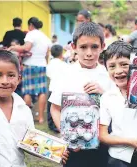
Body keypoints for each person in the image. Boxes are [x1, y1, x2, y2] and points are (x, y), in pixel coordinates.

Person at [49, 22, 115, 167]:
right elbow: (55, 109)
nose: (89, 53)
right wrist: (68, 135)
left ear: (103, 46)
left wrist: (103, 94)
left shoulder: (109, 75)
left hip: (103, 144)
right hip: (75, 147)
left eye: (94, 47)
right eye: (83, 47)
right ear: (74, 47)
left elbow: (117, 108)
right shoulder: (64, 74)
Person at [99, 41, 137, 167]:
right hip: (117, 158)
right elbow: (103, 135)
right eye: (112, 66)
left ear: (136, 65)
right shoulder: (107, 98)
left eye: (124, 64)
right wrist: (129, 142)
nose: (118, 71)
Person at [8, 17, 51, 124]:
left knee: (27, 91)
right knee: (41, 91)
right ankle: (41, 117)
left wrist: (13, 48)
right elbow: (47, 54)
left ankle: (29, 117)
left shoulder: (31, 34)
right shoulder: (45, 37)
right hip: (42, 65)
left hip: (30, 65)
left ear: (31, 25)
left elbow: (26, 48)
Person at [46, 44, 69, 132]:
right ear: (61, 53)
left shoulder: (49, 64)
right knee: (60, 109)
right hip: (62, 89)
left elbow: (48, 74)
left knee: (50, 109)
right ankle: (60, 124)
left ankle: (51, 125)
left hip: (52, 87)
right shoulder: (64, 65)